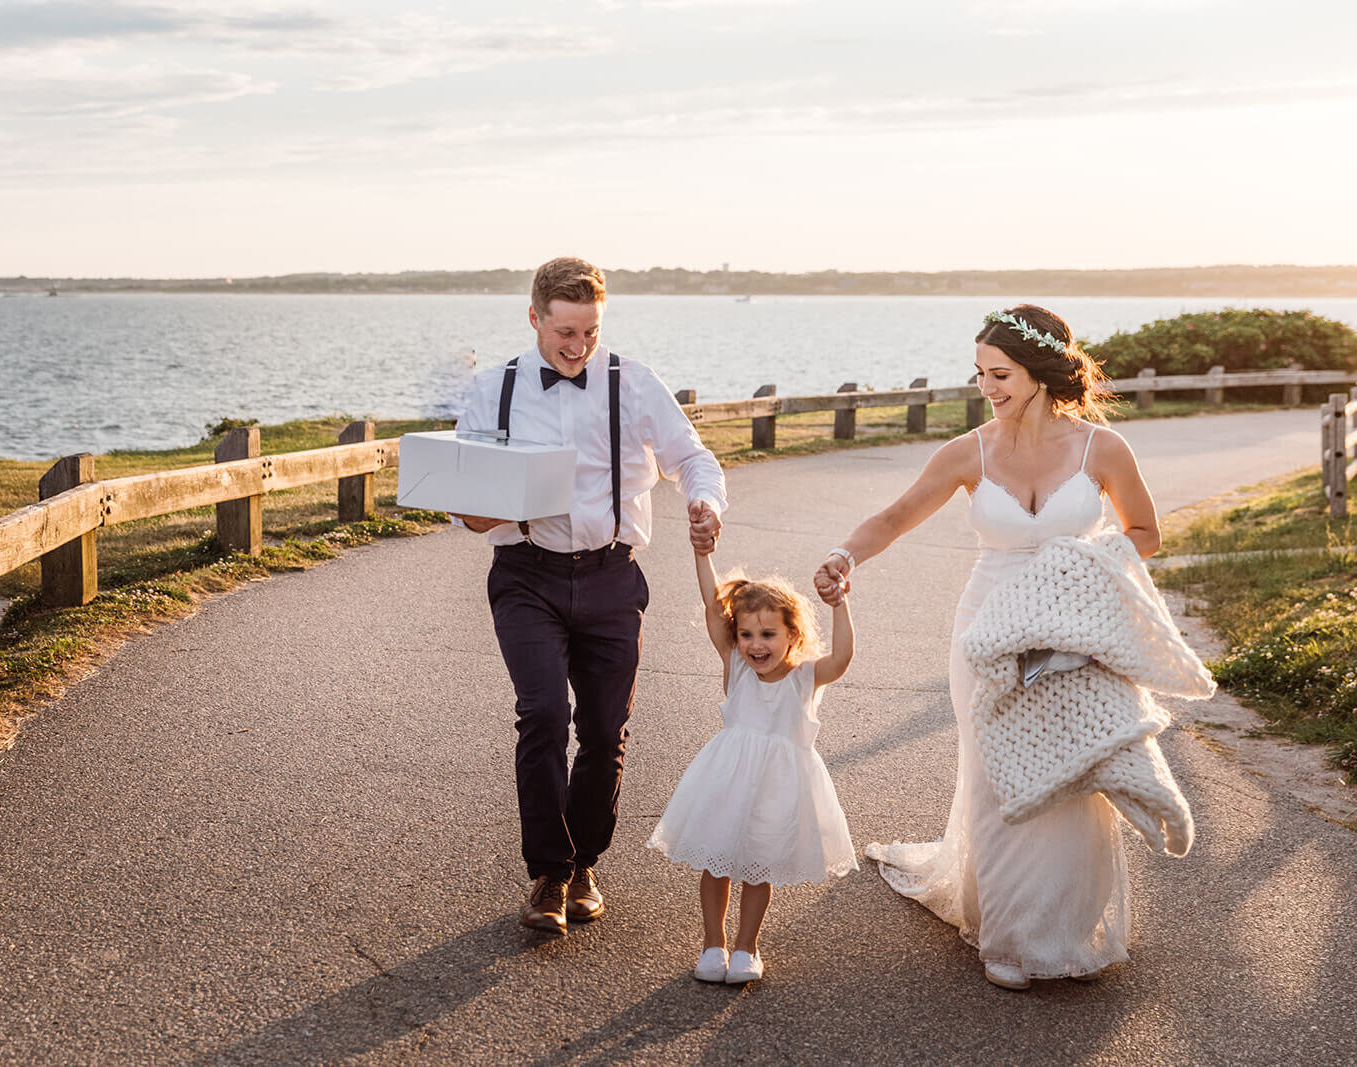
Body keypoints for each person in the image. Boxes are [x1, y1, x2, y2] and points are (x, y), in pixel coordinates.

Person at [814, 304, 1162, 990]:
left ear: (1039, 373)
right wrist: (842, 555)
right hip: (986, 630)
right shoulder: (969, 451)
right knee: (998, 775)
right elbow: (895, 515)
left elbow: (1145, 532)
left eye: (999, 373)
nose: (988, 386)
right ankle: (1006, 937)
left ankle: (1061, 927)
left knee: (1069, 778)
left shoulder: (1103, 448)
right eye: (980, 373)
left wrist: (1084, 565)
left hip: (1072, 629)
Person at [454, 257, 727, 934]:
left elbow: (693, 457)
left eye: (590, 331)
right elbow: (463, 499)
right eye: (565, 331)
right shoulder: (494, 388)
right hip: (525, 574)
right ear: (535, 318)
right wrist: (475, 512)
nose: (577, 346)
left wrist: (703, 499)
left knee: (604, 730)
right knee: (542, 712)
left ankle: (584, 864)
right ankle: (549, 872)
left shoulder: (633, 382)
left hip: (611, 574)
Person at [646, 533, 857, 984]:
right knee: (717, 862)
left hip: (777, 789)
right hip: (727, 780)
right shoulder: (737, 667)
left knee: (758, 868)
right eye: (746, 634)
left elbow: (840, 659)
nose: (755, 645)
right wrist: (703, 555)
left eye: (767, 634)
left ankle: (747, 947)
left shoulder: (804, 678)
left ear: (792, 634)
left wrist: (840, 605)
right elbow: (710, 606)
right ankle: (713, 945)